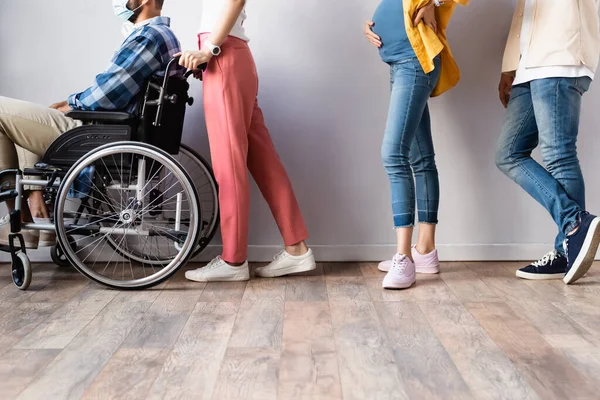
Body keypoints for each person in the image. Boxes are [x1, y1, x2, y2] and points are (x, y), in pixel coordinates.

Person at [0, 0, 180, 249]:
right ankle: (35, 204)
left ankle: (21, 216)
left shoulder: (148, 37)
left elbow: (107, 94)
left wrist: (73, 103)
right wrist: (72, 102)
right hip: (110, 128)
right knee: (25, 121)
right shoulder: (161, 36)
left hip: (98, 133)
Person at [177, 0, 316, 282]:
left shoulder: (217, 48)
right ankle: (297, 248)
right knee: (264, 162)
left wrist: (209, 49)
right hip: (229, 56)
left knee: (229, 165)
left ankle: (233, 259)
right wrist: (209, 50)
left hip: (224, 56)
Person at [363, 0, 468, 290]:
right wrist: (370, 25)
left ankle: (403, 257)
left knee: (393, 154)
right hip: (399, 62)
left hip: (414, 60)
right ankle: (425, 252)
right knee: (420, 159)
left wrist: (435, 2)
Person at [495, 0, 600, 284]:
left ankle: (570, 236)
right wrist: (509, 66)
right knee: (508, 153)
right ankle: (573, 229)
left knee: (559, 155)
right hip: (527, 63)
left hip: (559, 52)